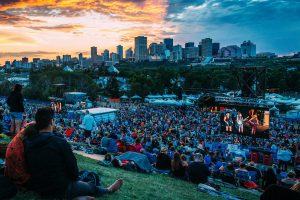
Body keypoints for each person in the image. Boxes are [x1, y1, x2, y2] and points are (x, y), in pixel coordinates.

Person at [24, 107, 123, 199]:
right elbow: (73, 171)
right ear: (51, 122)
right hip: (61, 188)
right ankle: (108, 190)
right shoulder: (59, 142)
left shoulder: (28, 142)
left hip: (38, 187)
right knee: (89, 186)